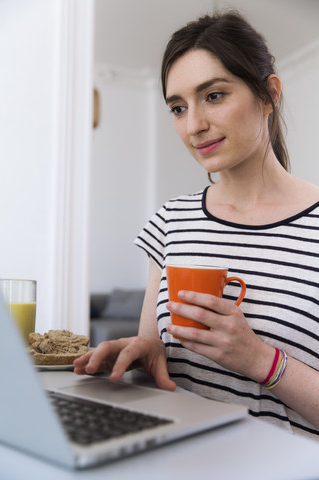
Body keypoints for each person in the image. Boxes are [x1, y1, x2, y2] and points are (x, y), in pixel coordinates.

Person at [74, 10, 319, 439]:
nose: (193, 126)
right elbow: (157, 353)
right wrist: (143, 354)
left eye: (214, 95)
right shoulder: (171, 221)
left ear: (269, 95)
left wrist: (262, 360)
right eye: (178, 107)